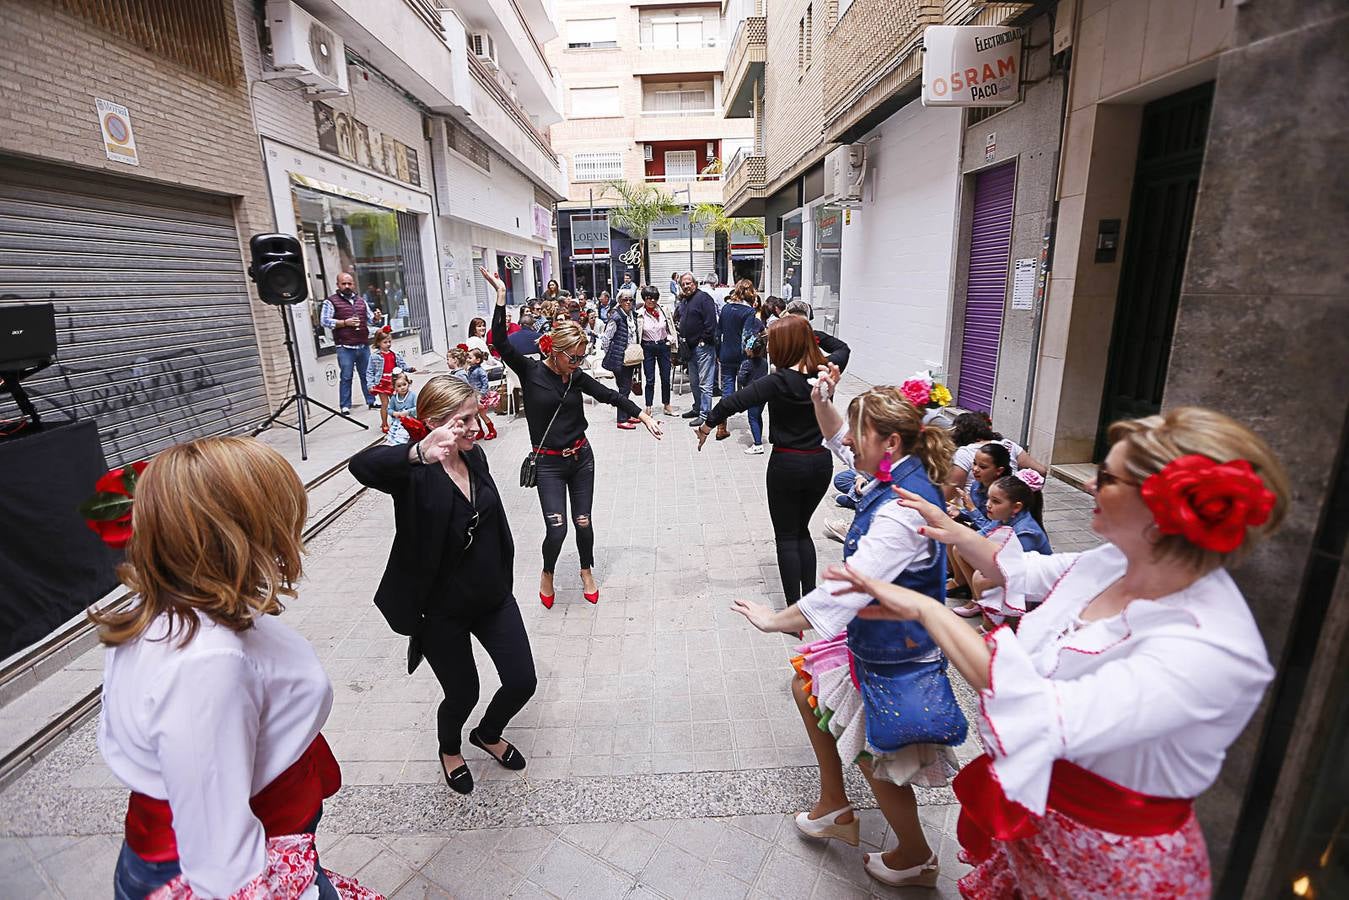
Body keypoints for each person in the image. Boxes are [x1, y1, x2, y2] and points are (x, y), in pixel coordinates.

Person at [825, 405, 1289, 898]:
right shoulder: (1118, 560)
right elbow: (1025, 572)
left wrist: (927, 609)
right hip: (1040, 818)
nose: (1090, 484)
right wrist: (953, 528)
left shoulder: (1209, 646)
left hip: (1113, 860)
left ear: (1163, 507)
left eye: (1108, 477)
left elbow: (1042, 710)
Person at [95, 437, 372, 898]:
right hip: (236, 863)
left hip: (263, 841)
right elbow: (221, 862)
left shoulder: (178, 606)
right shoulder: (206, 663)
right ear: (236, 535)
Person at [730, 382, 963, 888]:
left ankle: (917, 856)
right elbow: (838, 439)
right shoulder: (895, 470)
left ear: (890, 442)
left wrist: (773, 620)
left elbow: (848, 590)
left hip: (894, 653)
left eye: (861, 434)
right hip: (876, 638)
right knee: (808, 689)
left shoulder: (904, 510)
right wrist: (821, 403)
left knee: (874, 754)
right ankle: (835, 805)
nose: (848, 443)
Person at [349, 376, 536, 797]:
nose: (474, 427)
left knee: (522, 680)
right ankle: (449, 749)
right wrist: (417, 453)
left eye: (475, 416)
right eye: (463, 420)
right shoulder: (414, 471)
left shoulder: (476, 458)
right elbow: (361, 467)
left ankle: (488, 734)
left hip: (492, 598)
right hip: (440, 610)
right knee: (463, 691)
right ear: (435, 423)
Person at [486, 266, 662, 608]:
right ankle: (547, 572)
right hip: (549, 464)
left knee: (583, 522)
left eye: (581, 358)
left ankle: (586, 570)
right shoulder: (530, 370)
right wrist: (501, 298)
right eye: (574, 357)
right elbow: (499, 342)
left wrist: (641, 415)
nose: (578, 363)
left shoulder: (575, 377)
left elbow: (610, 394)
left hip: (581, 458)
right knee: (557, 529)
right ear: (556, 350)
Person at [696, 316, 847, 605]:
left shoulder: (778, 381)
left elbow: (731, 402)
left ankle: (794, 614)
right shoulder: (825, 371)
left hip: (787, 465)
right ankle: (811, 603)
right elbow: (843, 348)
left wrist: (706, 426)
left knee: (787, 538)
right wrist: (810, 335)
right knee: (803, 531)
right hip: (820, 463)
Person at [320, 271, 384, 414]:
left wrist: (376, 318)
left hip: (363, 344)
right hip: (345, 346)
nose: (347, 286)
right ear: (338, 285)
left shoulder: (361, 301)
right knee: (346, 376)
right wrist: (344, 322)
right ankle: (345, 406)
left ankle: (371, 401)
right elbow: (324, 320)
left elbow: (370, 319)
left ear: (354, 284)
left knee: (367, 375)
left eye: (350, 283)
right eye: (344, 284)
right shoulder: (330, 301)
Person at [945, 411, 1047, 500]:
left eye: (982, 466)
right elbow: (1041, 471)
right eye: (975, 464)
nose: (975, 469)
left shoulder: (964, 453)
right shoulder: (1008, 444)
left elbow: (949, 492)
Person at [713, 279, 759, 441]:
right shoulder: (749, 312)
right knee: (749, 389)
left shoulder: (726, 308)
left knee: (727, 390)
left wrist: (718, 352)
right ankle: (754, 429)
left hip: (725, 353)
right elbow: (747, 336)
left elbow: (717, 334)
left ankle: (721, 427)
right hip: (742, 356)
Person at [676, 272, 718, 427]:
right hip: (690, 348)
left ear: (695, 283)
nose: (686, 286)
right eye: (683, 284)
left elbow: (711, 324)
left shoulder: (704, 298)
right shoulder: (685, 301)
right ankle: (698, 407)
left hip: (703, 348)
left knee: (705, 383)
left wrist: (702, 340)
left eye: (689, 283)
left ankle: (705, 414)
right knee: (694, 381)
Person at [737, 300, 772, 455]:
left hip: (752, 394)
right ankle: (759, 438)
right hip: (763, 393)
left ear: (750, 350)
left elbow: (741, 379)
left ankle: (757, 444)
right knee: (758, 416)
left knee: (752, 417)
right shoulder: (764, 362)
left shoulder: (746, 364)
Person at [602, 293, 642, 429]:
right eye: (625, 299)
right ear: (619, 301)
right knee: (623, 389)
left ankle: (627, 414)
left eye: (631, 299)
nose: (629, 302)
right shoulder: (616, 317)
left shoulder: (631, 315)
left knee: (626, 387)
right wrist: (611, 354)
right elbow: (606, 338)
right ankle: (621, 419)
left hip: (630, 357)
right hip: (619, 358)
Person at [365, 327, 415, 434]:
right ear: (378, 343)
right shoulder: (374, 357)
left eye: (389, 342)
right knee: (385, 404)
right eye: (385, 342)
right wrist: (370, 384)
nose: (388, 344)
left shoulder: (395, 354)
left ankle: (396, 421)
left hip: (394, 382)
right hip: (382, 382)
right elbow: (369, 371)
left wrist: (409, 369)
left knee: (396, 402)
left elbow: (402, 365)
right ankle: (384, 423)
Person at [638, 286, 675, 417]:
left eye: (655, 298)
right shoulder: (639, 313)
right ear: (644, 298)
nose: (652, 301)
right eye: (649, 298)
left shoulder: (664, 310)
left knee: (665, 377)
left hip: (663, 346)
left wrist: (670, 339)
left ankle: (667, 404)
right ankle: (648, 406)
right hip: (647, 347)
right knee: (650, 379)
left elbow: (670, 326)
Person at [784, 299, 850, 370]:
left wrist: (822, 364)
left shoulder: (814, 336)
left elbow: (842, 348)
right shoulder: (781, 337)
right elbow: (843, 349)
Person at [466, 348, 497, 440]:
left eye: (470, 358)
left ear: (478, 360)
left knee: (482, 415)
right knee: (475, 415)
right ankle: (480, 431)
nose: (467, 359)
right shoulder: (470, 370)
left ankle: (492, 430)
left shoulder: (480, 371)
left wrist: (482, 395)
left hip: (480, 396)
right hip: (474, 396)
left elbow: (485, 384)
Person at [385, 372, 418, 445]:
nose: (402, 387)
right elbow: (389, 409)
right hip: (398, 422)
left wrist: (408, 412)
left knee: (405, 436)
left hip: (410, 421)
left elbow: (417, 408)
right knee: (395, 435)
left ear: (408, 384)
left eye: (404, 384)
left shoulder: (412, 396)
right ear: (395, 387)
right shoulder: (394, 398)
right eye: (399, 386)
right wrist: (393, 413)